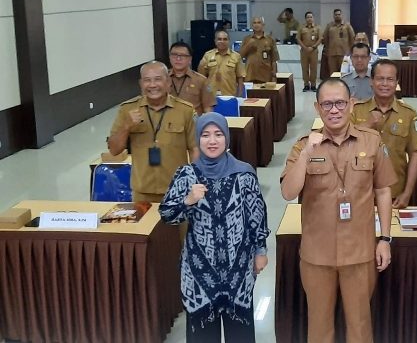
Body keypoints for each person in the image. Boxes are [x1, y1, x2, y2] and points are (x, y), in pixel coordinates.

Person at [280, 78, 396, 343]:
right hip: (317, 255)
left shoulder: (371, 141)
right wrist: (307, 154)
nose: (334, 110)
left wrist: (385, 239)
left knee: (360, 327)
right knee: (319, 330)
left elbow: (383, 191)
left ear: (352, 104)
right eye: (327, 104)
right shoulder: (304, 145)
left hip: (359, 253)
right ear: (317, 107)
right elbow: (288, 192)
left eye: (340, 103)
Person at [160, 112, 270, 343]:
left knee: (240, 335)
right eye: (206, 135)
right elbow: (167, 215)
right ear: (198, 139)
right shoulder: (186, 174)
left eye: (218, 134)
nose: (212, 141)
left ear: (227, 138)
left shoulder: (244, 173)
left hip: (238, 270)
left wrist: (260, 251)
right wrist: (187, 200)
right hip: (199, 274)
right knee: (203, 336)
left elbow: (257, 217)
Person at [107, 61, 197, 203]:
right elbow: (114, 150)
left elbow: (195, 148)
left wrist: (195, 181)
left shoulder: (185, 110)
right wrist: (126, 127)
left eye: (157, 79)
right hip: (142, 194)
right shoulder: (127, 110)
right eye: (147, 80)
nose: (152, 85)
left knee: (179, 226)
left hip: (178, 191)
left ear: (168, 82)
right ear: (141, 84)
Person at [352, 59, 417, 208]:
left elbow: (414, 156)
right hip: (359, 193)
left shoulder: (409, 114)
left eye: (390, 79)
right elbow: (345, 147)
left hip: (395, 194)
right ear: (371, 81)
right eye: (380, 78)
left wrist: (407, 193)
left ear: (397, 82)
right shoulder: (356, 110)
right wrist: (367, 125)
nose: (385, 84)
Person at [168, 42, 216, 115]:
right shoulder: (162, 79)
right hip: (167, 123)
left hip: (193, 123)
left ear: (190, 59)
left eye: (182, 55)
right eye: (174, 55)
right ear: (170, 57)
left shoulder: (201, 80)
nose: (178, 58)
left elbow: (208, 109)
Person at [197, 30, 246, 96]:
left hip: (230, 96)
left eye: (225, 39)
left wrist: (239, 97)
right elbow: (201, 77)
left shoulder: (236, 56)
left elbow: (240, 79)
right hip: (211, 97)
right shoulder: (208, 55)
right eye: (219, 39)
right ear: (215, 41)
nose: (222, 41)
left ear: (229, 41)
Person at [240, 17, 280, 83]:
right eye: (254, 23)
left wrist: (274, 75)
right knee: (251, 93)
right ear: (252, 25)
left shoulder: (270, 39)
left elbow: (274, 59)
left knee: (264, 93)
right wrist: (248, 45)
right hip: (250, 74)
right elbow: (240, 56)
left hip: (265, 75)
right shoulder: (246, 39)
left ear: (263, 25)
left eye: (259, 22)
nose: (256, 25)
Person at [323, 8, 355, 73]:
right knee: (333, 74)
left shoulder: (347, 25)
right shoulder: (329, 26)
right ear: (333, 16)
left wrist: (351, 50)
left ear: (341, 15)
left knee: (344, 73)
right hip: (332, 54)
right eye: (336, 15)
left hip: (344, 54)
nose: (337, 16)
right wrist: (327, 50)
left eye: (339, 14)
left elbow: (353, 38)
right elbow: (325, 38)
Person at [299, 11, 322, 92]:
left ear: (313, 18)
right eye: (308, 17)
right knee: (304, 68)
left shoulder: (317, 28)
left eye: (311, 17)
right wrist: (304, 47)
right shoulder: (301, 28)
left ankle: (313, 85)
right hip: (304, 51)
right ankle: (306, 84)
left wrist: (313, 47)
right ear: (305, 19)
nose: (309, 19)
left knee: (313, 69)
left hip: (314, 51)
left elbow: (320, 38)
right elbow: (298, 39)